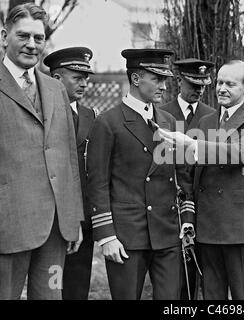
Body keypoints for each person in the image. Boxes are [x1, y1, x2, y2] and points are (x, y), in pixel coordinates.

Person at [86, 49, 195, 300]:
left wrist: (186, 217)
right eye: (157, 79)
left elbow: (183, 176)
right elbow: (98, 183)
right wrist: (106, 236)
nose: (164, 86)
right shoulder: (108, 122)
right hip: (127, 237)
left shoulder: (168, 122)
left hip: (167, 233)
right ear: (136, 79)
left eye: (165, 80)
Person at [158, 60, 244, 299]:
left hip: (240, 230)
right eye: (220, 82)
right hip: (208, 228)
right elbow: (190, 174)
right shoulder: (206, 121)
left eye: (230, 84)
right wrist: (188, 218)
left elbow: (241, 153)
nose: (221, 88)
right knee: (211, 296)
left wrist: (193, 144)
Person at [0, 3, 83, 300]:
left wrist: (72, 221)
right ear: (3, 36)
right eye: (23, 36)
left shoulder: (55, 88)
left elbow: (68, 157)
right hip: (7, 227)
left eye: (39, 37)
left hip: (55, 232)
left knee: (51, 295)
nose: (32, 45)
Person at [44, 46, 97, 300]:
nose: (84, 83)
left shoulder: (91, 116)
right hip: (50, 221)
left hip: (82, 219)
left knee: (78, 288)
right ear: (56, 78)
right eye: (77, 77)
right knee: (49, 288)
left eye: (86, 78)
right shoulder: (41, 114)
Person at [159, 58, 215, 300]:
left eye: (202, 85)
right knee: (174, 278)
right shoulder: (162, 115)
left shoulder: (213, 117)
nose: (198, 90)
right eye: (193, 84)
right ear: (179, 80)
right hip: (172, 207)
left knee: (202, 276)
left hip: (205, 207)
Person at [159, 58, 215, 134]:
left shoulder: (212, 115)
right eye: (195, 85)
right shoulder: (161, 113)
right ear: (179, 81)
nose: (200, 91)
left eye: (203, 86)